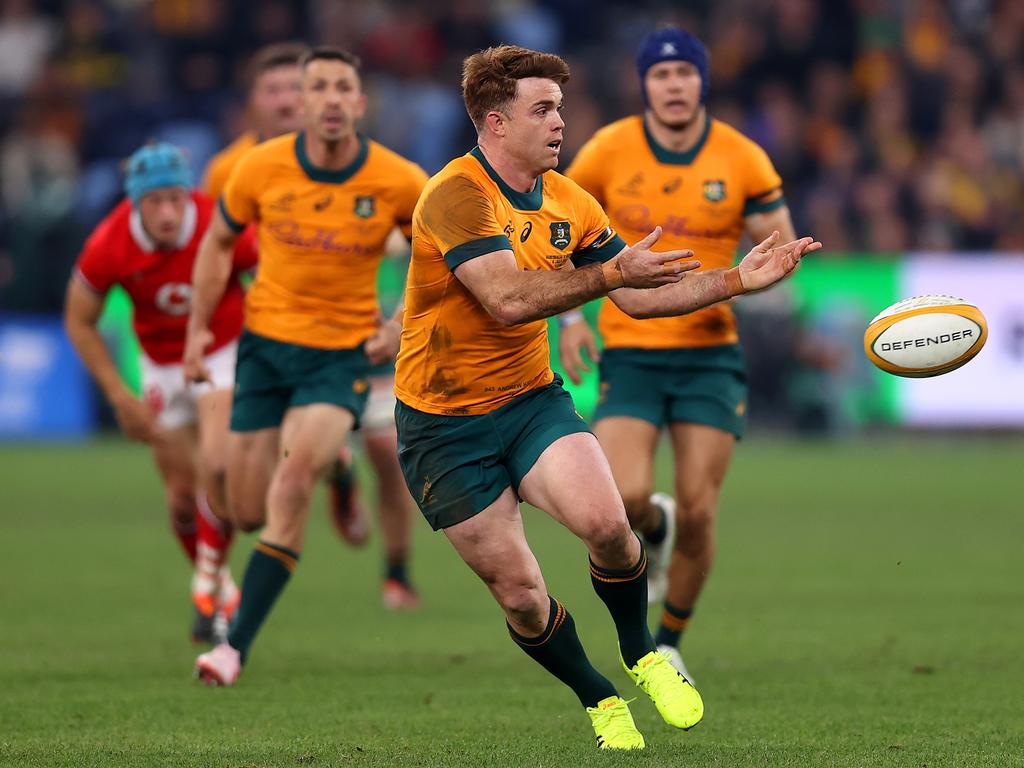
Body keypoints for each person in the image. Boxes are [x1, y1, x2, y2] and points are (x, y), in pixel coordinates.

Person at [394, 44, 819, 749]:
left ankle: (641, 651)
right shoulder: (455, 194)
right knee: (524, 597)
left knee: (610, 525)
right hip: (443, 427)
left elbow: (643, 295)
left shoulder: (569, 200)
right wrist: (609, 277)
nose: (560, 122)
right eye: (543, 110)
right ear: (496, 123)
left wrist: (735, 282)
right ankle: (597, 695)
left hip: (530, 401)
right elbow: (505, 298)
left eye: (560, 107)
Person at [560, 27, 798, 681]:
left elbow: (777, 240)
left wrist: (778, 259)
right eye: (661, 76)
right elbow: (562, 236)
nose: (673, 86)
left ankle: (668, 641)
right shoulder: (608, 150)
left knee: (699, 508)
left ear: (702, 81)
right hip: (630, 350)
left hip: (708, 355)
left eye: (685, 75)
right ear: (645, 84)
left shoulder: (742, 157)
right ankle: (651, 530)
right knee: (622, 501)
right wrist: (574, 319)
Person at [185, 46, 428, 685]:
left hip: (339, 356)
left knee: (289, 490)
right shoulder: (254, 169)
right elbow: (215, 245)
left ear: (359, 102)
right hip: (264, 351)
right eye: (316, 86)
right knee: (243, 512)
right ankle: (341, 471)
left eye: (341, 87)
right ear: (302, 99)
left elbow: (439, 253)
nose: (328, 99)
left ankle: (232, 648)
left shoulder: (398, 179)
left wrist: (397, 323)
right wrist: (196, 330)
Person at [64, 142, 256, 643]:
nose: (168, 212)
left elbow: (274, 268)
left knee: (215, 466)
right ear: (135, 203)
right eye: (155, 202)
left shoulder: (219, 222)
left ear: (189, 194)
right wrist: (119, 395)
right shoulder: (109, 242)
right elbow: (78, 319)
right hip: (159, 367)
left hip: (220, 350)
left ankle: (205, 587)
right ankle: (222, 590)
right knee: (179, 500)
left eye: (176, 198)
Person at [203, 42, 306, 201]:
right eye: (272, 90)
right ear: (252, 100)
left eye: (296, 88)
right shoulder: (226, 169)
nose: (285, 102)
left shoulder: (339, 161)